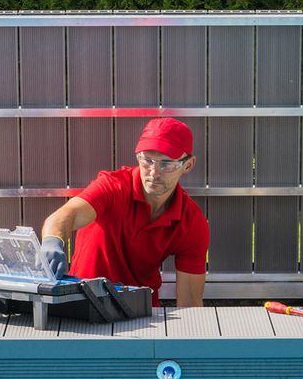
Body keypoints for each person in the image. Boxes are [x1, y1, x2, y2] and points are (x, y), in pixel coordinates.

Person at [37, 117, 210, 308]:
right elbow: (67, 214)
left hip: (142, 311)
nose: (153, 172)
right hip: (83, 303)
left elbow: (190, 304)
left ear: (188, 165)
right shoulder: (113, 187)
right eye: (147, 160)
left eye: (166, 164)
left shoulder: (192, 222)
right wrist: (52, 242)